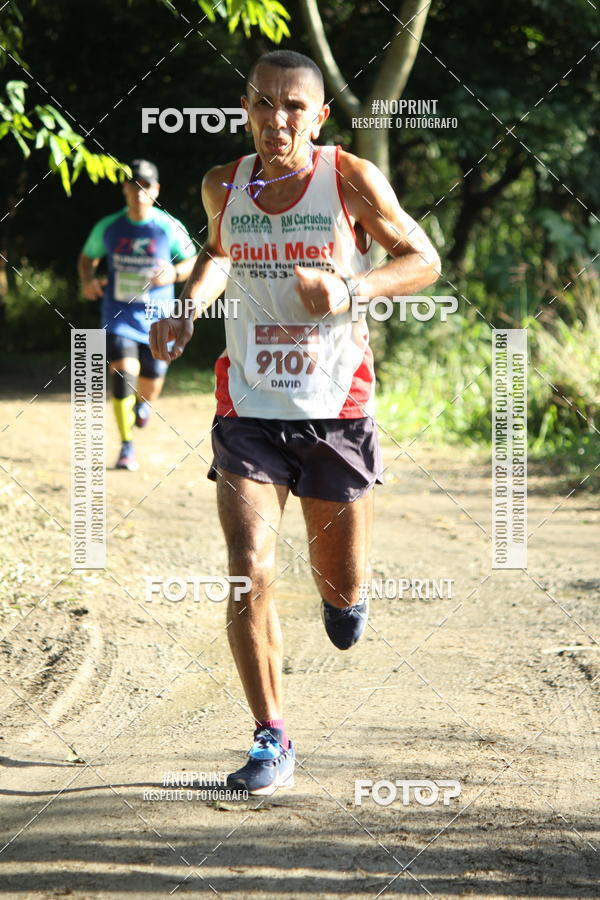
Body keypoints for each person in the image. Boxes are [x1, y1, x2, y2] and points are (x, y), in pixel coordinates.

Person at [150, 50, 441, 794]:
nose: (277, 120)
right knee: (249, 571)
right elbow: (219, 255)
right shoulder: (224, 184)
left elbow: (422, 259)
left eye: (293, 107)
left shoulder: (346, 179)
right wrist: (187, 308)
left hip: (335, 411)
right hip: (247, 407)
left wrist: (348, 289)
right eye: (262, 105)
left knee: (338, 591)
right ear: (244, 108)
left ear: (319, 116)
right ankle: (270, 737)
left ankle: (349, 597)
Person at [78, 159, 197, 470]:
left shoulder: (168, 227)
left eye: (145, 186)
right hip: (118, 315)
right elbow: (87, 257)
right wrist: (89, 280)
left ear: (155, 190)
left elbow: (194, 262)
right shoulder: (109, 226)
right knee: (122, 375)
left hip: (158, 319)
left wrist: (172, 273)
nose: (139, 192)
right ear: (125, 189)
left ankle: (144, 407)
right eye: (133, 185)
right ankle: (126, 446)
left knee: (151, 383)